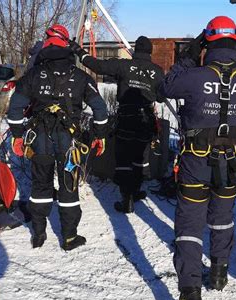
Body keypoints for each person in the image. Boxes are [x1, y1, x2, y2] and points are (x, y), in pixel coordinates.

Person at [159, 17, 236, 300]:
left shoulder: (193, 76)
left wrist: (189, 57)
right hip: (233, 162)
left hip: (196, 161)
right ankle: (219, 273)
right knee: (222, 217)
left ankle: (190, 294)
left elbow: (166, 87)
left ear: (208, 43)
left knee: (190, 225)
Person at [7, 24, 108, 250]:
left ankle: (39, 233)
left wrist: (17, 136)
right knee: (68, 187)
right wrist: (100, 135)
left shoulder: (33, 75)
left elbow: (15, 109)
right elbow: (100, 111)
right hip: (69, 141)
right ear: (66, 46)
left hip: (39, 138)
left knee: (40, 185)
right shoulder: (81, 77)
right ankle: (69, 237)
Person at [69, 36, 166, 214]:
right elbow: (161, 96)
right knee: (139, 158)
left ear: (135, 51)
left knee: (124, 158)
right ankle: (135, 191)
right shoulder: (157, 71)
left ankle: (126, 198)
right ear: (150, 52)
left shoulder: (124, 65)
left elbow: (97, 66)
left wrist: (79, 51)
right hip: (145, 121)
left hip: (127, 119)